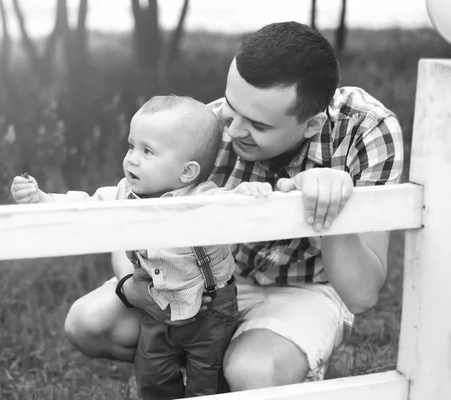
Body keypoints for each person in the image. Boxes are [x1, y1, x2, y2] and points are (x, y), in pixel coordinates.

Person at [62, 20, 404, 391]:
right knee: (88, 323)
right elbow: (131, 208)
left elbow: (362, 294)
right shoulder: (204, 127)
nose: (232, 130)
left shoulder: (367, 130)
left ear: (311, 124)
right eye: (231, 105)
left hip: (309, 288)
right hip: (212, 279)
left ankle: (251, 369)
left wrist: (333, 209)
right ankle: (198, 370)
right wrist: (133, 284)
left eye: (257, 124)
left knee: (251, 372)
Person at [10, 95, 273, 399]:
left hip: (209, 310)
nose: (132, 158)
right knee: (152, 375)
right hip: (157, 306)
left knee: (207, 380)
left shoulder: (202, 197)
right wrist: (42, 198)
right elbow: (84, 205)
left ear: (186, 172)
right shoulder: (124, 195)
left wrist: (247, 192)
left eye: (147, 151)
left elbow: (230, 203)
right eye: (131, 146)